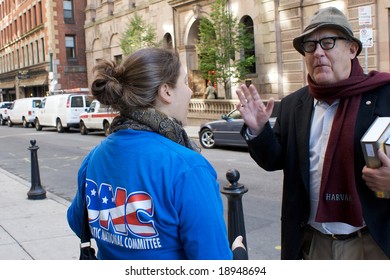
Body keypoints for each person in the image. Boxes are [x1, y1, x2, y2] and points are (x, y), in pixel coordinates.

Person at [235, 7, 390, 260]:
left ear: (352, 49)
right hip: (312, 244)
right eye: (310, 45)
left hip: (373, 244)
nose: (318, 52)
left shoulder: (384, 96)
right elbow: (274, 160)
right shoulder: (294, 105)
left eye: (328, 43)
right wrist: (258, 130)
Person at [67, 47, 247, 260]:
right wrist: (238, 254)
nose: (190, 92)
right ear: (166, 91)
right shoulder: (187, 168)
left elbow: (77, 221)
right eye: (185, 83)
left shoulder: (94, 158)